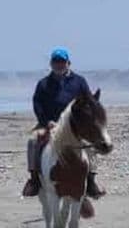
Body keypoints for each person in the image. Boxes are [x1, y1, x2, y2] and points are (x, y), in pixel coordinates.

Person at [23, 48, 107, 199]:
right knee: (33, 141)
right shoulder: (43, 84)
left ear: (69, 63)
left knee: (91, 145)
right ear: (51, 64)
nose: (59, 65)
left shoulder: (79, 81)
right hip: (49, 123)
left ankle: (91, 182)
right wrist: (46, 121)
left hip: (74, 126)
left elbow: (88, 102)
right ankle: (34, 180)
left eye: (62, 62)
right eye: (56, 62)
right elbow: (37, 104)